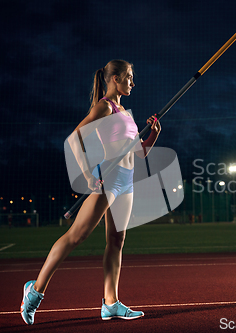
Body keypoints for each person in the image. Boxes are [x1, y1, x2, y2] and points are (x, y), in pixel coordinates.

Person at [20, 59, 161, 325]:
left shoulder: (126, 113)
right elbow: (76, 137)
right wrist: (87, 174)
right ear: (114, 79)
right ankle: (34, 291)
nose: (133, 82)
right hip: (108, 179)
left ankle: (110, 303)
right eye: (129, 76)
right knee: (77, 235)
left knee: (116, 241)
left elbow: (139, 152)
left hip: (127, 182)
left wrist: (153, 134)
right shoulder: (105, 107)